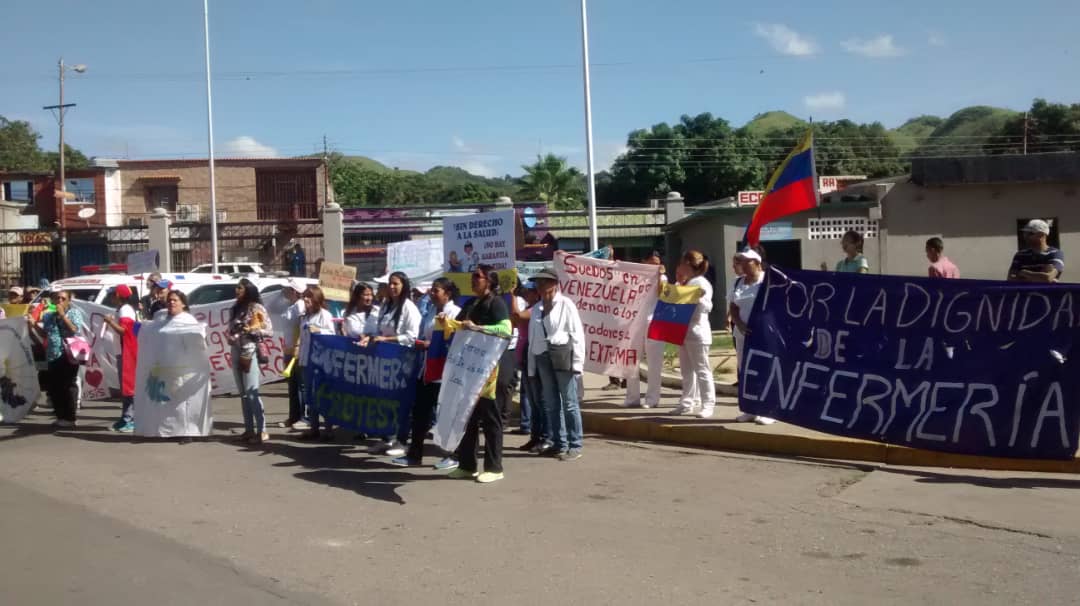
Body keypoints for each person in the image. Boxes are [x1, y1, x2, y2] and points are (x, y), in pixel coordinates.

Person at [447, 266, 513, 482]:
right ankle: (467, 465)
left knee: (491, 419)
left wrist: (478, 328)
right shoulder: (470, 303)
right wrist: (448, 323)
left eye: (477, 277)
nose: (473, 280)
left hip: (490, 371)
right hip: (470, 369)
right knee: (468, 418)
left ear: (490, 282)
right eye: (472, 276)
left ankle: (494, 468)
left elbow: (506, 330)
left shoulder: (496, 303)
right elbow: (460, 324)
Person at [391, 277, 461, 467]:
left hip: (445, 371)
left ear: (447, 294)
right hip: (427, 369)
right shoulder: (431, 311)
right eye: (431, 290)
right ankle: (415, 454)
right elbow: (423, 334)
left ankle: (453, 455)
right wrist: (422, 343)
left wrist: (433, 344)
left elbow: (457, 341)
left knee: (446, 414)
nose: (432, 293)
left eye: (436, 290)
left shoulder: (455, 313)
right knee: (420, 412)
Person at [134, 290, 213, 441]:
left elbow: (198, 344)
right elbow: (149, 332)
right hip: (165, 370)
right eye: (169, 300)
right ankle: (171, 431)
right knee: (168, 404)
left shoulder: (188, 321)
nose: (171, 303)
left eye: (175, 300)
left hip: (183, 370)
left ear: (183, 303)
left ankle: (187, 432)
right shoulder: (161, 321)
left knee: (184, 404)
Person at [528, 267, 586, 461]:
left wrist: (578, 363)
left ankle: (575, 444)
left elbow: (577, 334)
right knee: (551, 404)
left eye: (544, 282)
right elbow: (532, 338)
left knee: (569, 402)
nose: (541, 286)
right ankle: (559, 444)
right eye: (538, 283)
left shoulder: (566, 304)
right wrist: (531, 366)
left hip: (562, 355)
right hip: (542, 357)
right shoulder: (537, 308)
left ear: (555, 284)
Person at [362, 271, 421, 455]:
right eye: (390, 284)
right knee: (384, 401)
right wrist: (370, 338)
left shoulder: (409, 308)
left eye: (396, 284)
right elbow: (378, 330)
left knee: (401, 402)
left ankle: (402, 440)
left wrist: (388, 340)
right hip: (384, 361)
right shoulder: (386, 305)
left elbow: (412, 337)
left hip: (402, 361)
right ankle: (387, 438)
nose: (392, 287)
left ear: (404, 286)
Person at [728, 250, 775, 425]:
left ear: (756, 262)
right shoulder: (738, 282)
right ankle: (750, 408)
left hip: (763, 335)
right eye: (741, 261)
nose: (742, 264)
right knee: (745, 371)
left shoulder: (768, 280)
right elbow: (733, 307)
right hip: (742, 335)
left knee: (765, 370)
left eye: (746, 261)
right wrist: (739, 323)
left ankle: (768, 410)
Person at [225, 278, 274, 445]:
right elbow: (229, 329)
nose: (236, 290)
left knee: (252, 391)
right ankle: (249, 429)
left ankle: (262, 429)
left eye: (240, 287)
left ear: (247, 290)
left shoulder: (256, 308)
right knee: (243, 393)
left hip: (250, 351)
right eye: (236, 287)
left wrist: (253, 329)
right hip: (236, 350)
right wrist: (231, 335)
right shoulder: (234, 308)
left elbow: (269, 330)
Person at [674, 250, 716, 418]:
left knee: (702, 370)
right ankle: (687, 402)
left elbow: (707, 307)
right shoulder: (686, 282)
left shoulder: (700, 282)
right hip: (683, 331)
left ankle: (708, 404)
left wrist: (698, 298)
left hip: (697, 332)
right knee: (686, 370)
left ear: (688, 264)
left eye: (682, 263)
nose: (680, 266)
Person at [35, 290, 86, 429]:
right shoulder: (48, 316)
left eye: (63, 298)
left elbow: (75, 330)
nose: (59, 301)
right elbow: (45, 334)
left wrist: (63, 315)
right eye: (57, 298)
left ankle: (70, 417)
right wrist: (32, 325)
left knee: (68, 385)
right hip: (52, 354)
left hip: (68, 354)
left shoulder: (73, 313)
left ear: (69, 301)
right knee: (55, 387)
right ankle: (60, 416)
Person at [624, 251, 667, 409]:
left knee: (654, 363)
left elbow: (662, 295)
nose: (655, 266)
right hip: (634, 323)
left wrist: (657, 276)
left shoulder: (662, 278)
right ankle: (632, 397)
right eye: (652, 263)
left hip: (654, 323)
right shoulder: (635, 277)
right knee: (630, 360)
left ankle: (652, 398)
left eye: (657, 263)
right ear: (644, 262)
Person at [512, 280, 549, 451]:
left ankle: (545, 436)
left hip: (533, 359)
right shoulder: (530, 308)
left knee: (540, 401)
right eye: (524, 291)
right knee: (533, 402)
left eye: (529, 291)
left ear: (537, 293)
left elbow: (517, 316)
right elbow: (513, 321)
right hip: (524, 360)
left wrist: (511, 295)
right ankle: (535, 437)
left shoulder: (538, 308)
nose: (525, 294)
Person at [297, 287, 337, 441]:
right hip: (306, 361)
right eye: (304, 297)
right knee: (310, 396)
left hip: (320, 362)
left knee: (322, 395)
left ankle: (328, 429)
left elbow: (332, 336)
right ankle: (314, 428)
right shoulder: (304, 317)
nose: (306, 300)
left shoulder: (325, 315)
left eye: (309, 297)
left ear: (316, 299)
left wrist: (319, 331)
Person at [103, 285, 139, 433]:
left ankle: (131, 419)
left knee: (129, 386)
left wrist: (110, 322)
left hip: (127, 352)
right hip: (123, 351)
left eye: (112, 294)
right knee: (126, 387)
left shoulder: (125, 310)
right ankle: (126, 417)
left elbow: (125, 331)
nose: (110, 297)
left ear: (118, 295)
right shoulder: (123, 309)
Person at [278, 279, 308, 430]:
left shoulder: (300, 306)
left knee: (301, 386)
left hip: (298, 351)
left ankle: (304, 417)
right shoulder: (291, 306)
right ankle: (293, 416)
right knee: (292, 386)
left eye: (287, 288)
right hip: (289, 350)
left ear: (295, 291)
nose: (284, 291)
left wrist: (298, 346)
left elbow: (303, 327)